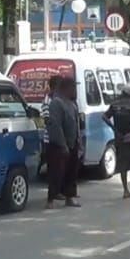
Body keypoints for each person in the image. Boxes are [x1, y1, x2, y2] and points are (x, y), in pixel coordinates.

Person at [45, 76, 81, 209]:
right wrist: (62, 144)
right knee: (57, 172)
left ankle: (70, 197)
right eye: (73, 88)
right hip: (59, 144)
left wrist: (79, 142)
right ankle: (51, 199)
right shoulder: (56, 102)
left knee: (72, 172)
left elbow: (76, 124)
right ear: (66, 88)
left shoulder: (71, 103)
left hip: (72, 142)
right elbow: (55, 125)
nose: (75, 91)